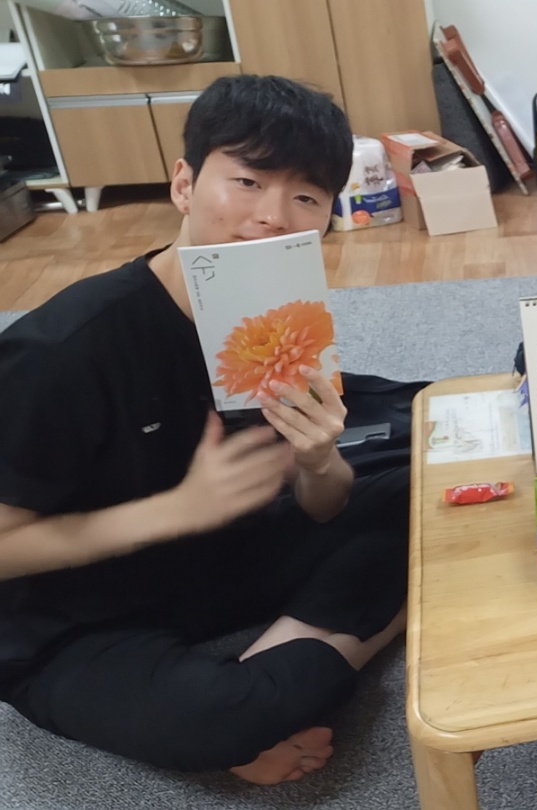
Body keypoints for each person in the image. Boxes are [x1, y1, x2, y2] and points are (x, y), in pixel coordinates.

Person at [0, 75, 408, 785]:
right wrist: (177, 509)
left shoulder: (275, 321)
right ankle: (264, 702)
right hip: (69, 617)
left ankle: (277, 659)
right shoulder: (62, 350)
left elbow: (324, 506)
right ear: (184, 185)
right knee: (217, 719)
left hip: (217, 557)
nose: (273, 217)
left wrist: (319, 459)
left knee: (423, 499)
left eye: (306, 197)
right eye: (248, 181)